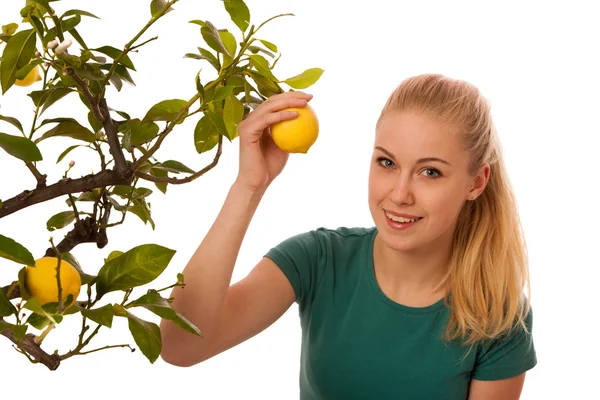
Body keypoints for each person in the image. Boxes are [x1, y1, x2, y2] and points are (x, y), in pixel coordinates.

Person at [159, 73, 537, 399]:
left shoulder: (498, 315)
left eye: (430, 172)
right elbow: (180, 345)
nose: (400, 194)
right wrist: (248, 186)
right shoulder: (318, 260)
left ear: (476, 182)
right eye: (387, 163)